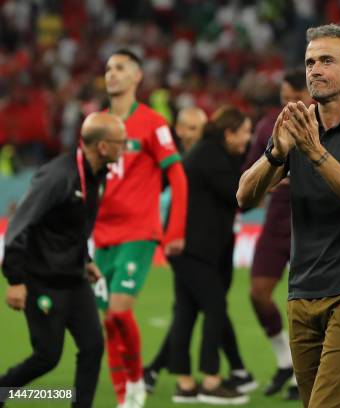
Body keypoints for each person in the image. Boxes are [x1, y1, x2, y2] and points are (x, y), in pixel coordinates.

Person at [237, 24, 340, 407]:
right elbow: (245, 197)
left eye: (327, 60)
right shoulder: (297, 124)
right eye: (310, 61)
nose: (315, 69)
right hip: (302, 291)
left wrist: (314, 153)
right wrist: (276, 154)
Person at [0, 113, 126, 408]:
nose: (125, 148)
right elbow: (19, 225)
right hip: (42, 280)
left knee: (93, 346)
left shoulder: (96, 174)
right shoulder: (58, 176)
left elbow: (72, 224)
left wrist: (85, 258)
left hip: (74, 278)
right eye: (121, 143)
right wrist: (15, 281)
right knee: (47, 357)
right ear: (103, 147)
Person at [93, 48, 188, 408]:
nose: (111, 74)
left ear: (137, 77)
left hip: (138, 232)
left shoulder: (152, 123)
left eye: (119, 68)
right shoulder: (95, 124)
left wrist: (174, 230)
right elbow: (85, 180)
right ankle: (124, 394)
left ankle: (135, 383)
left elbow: (177, 177)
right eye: (107, 68)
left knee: (119, 310)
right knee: (108, 321)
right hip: (102, 236)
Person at [166, 106, 253, 405]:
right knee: (214, 306)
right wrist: (268, 181)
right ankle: (211, 381)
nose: (248, 139)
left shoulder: (209, 152)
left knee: (186, 312)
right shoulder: (210, 155)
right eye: (244, 132)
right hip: (192, 249)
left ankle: (185, 385)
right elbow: (237, 195)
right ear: (228, 133)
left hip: (189, 247)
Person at [243, 68, 310, 400]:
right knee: (258, 292)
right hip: (278, 212)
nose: (288, 105)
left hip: (312, 216)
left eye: (295, 98)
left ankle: (306, 374)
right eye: (284, 99)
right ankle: (285, 361)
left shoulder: (326, 125)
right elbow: (251, 173)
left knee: (307, 303)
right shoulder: (269, 126)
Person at [142, 106, 207, 392]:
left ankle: (153, 370)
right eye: (190, 128)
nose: (195, 135)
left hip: (204, 246)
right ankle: (189, 379)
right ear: (179, 131)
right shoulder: (174, 164)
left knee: (188, 310)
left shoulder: (203, 158)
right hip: (184, 247)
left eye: (200, 129)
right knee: (207, 307)